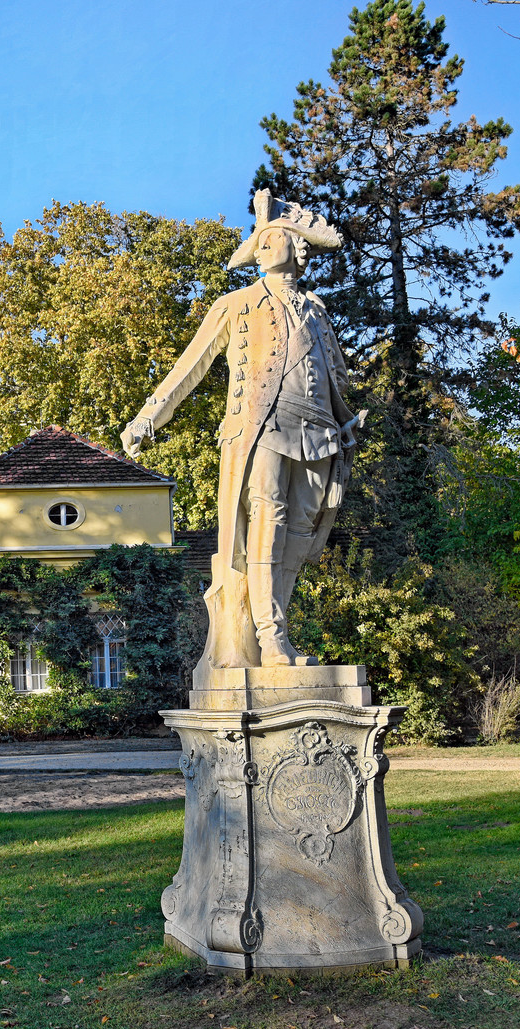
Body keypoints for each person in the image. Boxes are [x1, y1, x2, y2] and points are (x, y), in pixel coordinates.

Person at [121, 189, 361, 669]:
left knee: (301, 530)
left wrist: (346, 419)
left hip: (317, 432)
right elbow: (191, 364)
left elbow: (333, 375)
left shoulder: (316, 310)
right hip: (260, 428)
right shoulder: (238, 303)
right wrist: (150, 414)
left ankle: (277, 630)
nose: (265, 247)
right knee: (266, 523)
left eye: (274, 239)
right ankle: (269, 639)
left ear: (298, 249)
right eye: (261, 241)